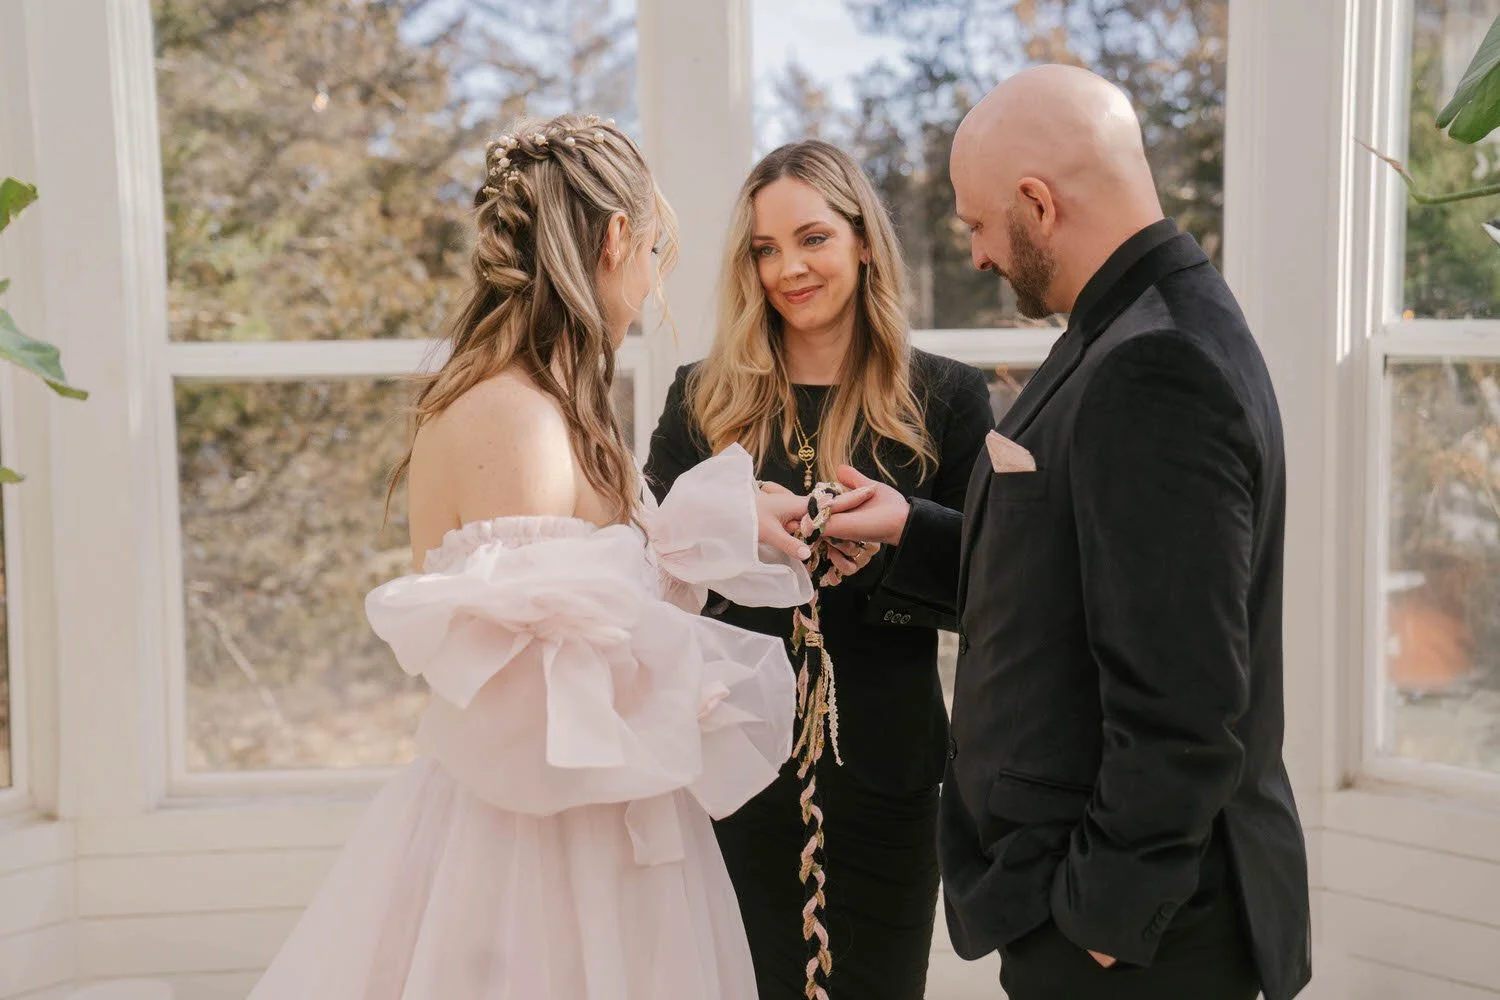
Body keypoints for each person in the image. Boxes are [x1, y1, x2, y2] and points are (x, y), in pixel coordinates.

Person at [245, 113, 843, 1000]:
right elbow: (539, 692)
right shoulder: (514, 417)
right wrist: (691, 672)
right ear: (612, 241)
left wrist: (722, 525)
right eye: (651, 252)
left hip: (604, 824)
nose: (650, 284)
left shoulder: (559, 404)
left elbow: (603, 599)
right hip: (537, 849)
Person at [818, 66, 1312, 1000]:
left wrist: (1098, 924)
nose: (976, 256)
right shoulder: (1142, 322)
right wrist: (910, 534)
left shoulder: (1154, 364)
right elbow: (1081, 574)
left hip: (1142, 944)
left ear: (1037, 204)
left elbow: (1186, 699)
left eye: (977, 224)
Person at [643, 139, 992, 1000]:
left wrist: (889, 550)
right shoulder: (701, 398)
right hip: (733, 770)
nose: (788, 268)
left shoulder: (944, 395)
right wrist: (732, 538)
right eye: (765, 249)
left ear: (863, 240)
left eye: (812, 239)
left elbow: (994, 580)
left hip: (890, 764)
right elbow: (648, 569)